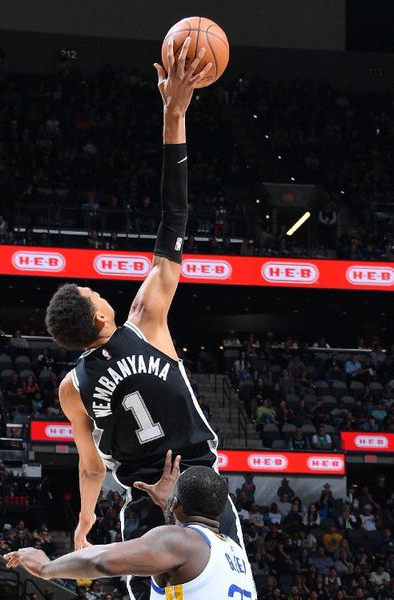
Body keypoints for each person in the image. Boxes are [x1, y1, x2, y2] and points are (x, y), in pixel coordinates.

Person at [43, 39, 241, 600]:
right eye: (91, 289)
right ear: (101, 310)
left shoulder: (71, 388)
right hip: (204, 495)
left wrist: (84, 525)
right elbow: (172, 215)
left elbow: (90, 468)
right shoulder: (146, 318)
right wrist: (174, 115)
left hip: (143, 516)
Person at [5, 458, 256, 600]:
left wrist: (44, 567)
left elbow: (101, 561)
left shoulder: (181, 543)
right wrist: (170, 507)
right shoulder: (233, 553)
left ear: (176, 504)